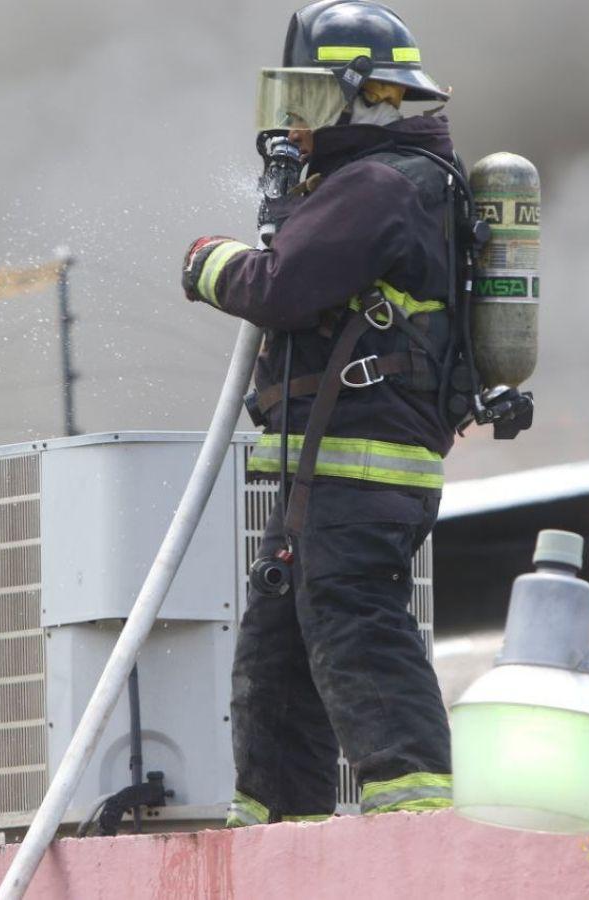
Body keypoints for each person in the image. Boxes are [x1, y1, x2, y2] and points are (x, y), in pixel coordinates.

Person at [182, 0, 458, 825]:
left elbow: (279, 288)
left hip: (356, 461)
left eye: (304, 102)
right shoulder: (385, 181)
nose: (291, 125)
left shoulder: (375, 185)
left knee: (355, 625)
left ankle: (417, 816)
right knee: (277, 650)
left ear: (349, 95)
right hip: (330, 467)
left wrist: (206, 262)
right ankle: (274, 824)